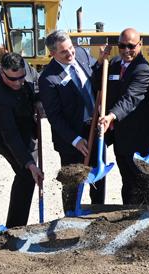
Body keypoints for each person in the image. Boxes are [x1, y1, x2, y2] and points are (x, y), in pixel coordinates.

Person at [39, 29, 106, 210]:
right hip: (71, 139)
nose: (70, 54)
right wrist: (75, 140)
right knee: (72, 185)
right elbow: (55, 117)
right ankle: (70, 218)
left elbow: (97, 75)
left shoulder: (82, 54)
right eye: (63, 52)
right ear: (53, 54)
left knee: (98, 180)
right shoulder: (48, 79)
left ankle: (98, 215)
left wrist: (100, 61)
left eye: (71, 48)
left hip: (95, 129)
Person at [97, 28, 149, 205]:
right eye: (122, 46)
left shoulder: (144, 70)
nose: (126, 50)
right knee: (128, 185)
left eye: (131, 46)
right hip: (122, 137)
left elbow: (131, 98)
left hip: (144, 138)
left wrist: (111, 115)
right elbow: (97, 81)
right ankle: (128, 221)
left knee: (148, 185)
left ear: (140, 44)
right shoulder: (114, 64)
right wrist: (101, 61)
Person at [0, 52, 42, 228]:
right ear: (2, 72)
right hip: (1, 134)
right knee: (26, 174)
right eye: (13, 80)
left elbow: (36, 82)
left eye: (21, 78)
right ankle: (14, 228)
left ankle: (17, 226)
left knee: (30, 173)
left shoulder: (26, 69)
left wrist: (37, 100)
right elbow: (10, 134)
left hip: (25, 125)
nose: (18, 83)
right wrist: (29, 163)